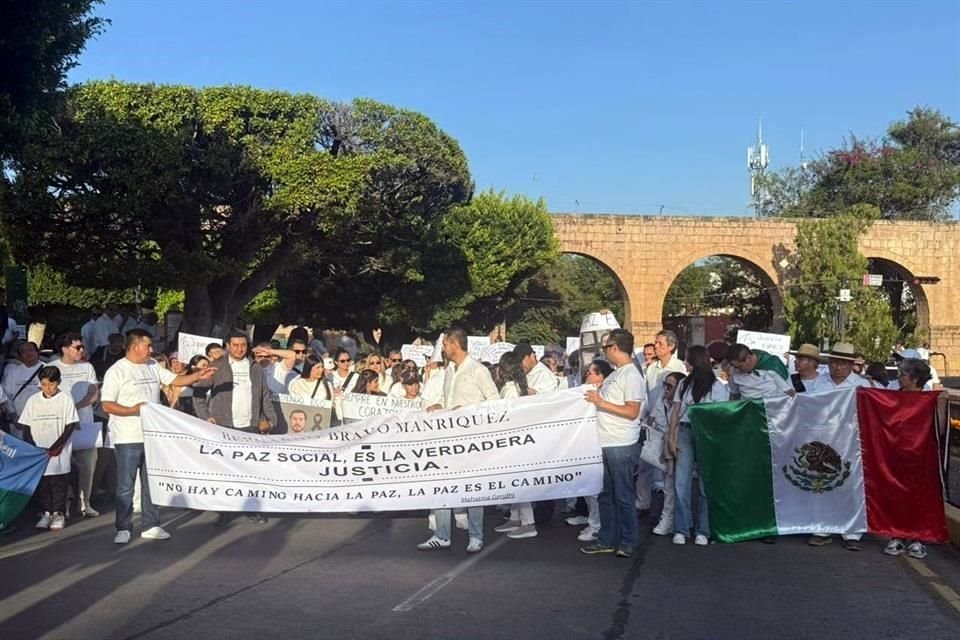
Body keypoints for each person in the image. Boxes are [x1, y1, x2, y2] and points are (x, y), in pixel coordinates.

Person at [100, 329, 216, 544]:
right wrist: (133, 410)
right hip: (127, 436)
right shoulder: (117, 371)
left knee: (150, 481)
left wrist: (197, 376)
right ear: (135, 347)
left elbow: (176, 380)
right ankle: (123, 527)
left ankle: (151, 524)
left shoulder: (153, 365)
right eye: (148, 346)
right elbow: (107, 404)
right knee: (126, 485)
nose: (152, 350)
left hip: (152, 435)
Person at [418, 328, 499, 554]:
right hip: (449, 439)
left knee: (472, 488)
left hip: (472, 440)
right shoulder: (450, 371)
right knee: (443, 485)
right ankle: (442, 535)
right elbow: (449, 401)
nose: (442, 348)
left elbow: (495, 401)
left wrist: (469, 410)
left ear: (455, 345)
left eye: (445, 344)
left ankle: (476, 535)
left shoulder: (478, 370)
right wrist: (440, 407)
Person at [580, 328, 646, 558]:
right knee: (605, 494)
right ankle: (606, 539)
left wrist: (600, 402)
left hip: (621, 443)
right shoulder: (618, 374)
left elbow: (632, 411)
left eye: (606, 347)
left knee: (623, 495)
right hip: (605, 442)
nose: (605, 351)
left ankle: (628, 540)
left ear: (615, 348)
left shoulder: (631, 376)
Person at [809, 342, 869, 550]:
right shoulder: (819, 383)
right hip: (824, 440)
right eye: (834, 362)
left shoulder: (861, 385)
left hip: (851, 441)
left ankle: (851, 532)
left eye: (843, 363)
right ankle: (822, 528)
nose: (837, 367)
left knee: (850, 486)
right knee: (823, 483)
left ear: (851, 365)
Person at [667, 346, 729, 546]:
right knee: (681, 482)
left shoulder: (718, 386)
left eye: (687, 359)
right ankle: (681, 528)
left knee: (705, 484)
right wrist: (672, 437)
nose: (685, 363)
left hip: (707, 435)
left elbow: (721, 415)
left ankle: (703, 529)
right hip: (684, 431)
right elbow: (676, 412)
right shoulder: (684, 384)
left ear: (694, 362)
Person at [883, 357, 934, 560]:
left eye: (903, 374)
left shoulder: (930, 399)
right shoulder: (893, 397)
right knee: (896, 495)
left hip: (922, 455)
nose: (899, 378)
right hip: (896, 453)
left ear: (915, 378)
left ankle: (917, 538)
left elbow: (937, 428)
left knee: (920, 497)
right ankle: (896, 535)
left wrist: (941, 403)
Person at [17, 366, 79, 531]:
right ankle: (46, 512)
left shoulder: (65, 399)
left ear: (58, 383)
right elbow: (26, 426)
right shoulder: (33, 400)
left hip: (58, 450)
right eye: (44, 385)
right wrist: (33, 448)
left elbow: (70, 424)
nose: (48, 388)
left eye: (51, 385)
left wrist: (57, 446)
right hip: (39, 451)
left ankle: (58, 513)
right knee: (42, 483)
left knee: (58, 482)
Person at [51, 332, 101, 518]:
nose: (82, 350)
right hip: (60, 425)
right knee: (61, 466)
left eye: (82, 347)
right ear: (64, 349)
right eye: (77, 347)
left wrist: (77, 406)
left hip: (85, 422)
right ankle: (62, 504)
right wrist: (67, 413)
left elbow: (94, 393)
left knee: (88, 464)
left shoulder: (87, 367)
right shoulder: (51, 367)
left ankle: (85, 502)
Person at [637, 330, 687, 514]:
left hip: (670, 421)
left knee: (668, 468)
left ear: (671, 347)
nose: (656, 346)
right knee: (644, 464)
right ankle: (642, 503)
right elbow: (647, 394)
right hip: (650, 420)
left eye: (660, 344)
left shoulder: (679, 367)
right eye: (655, 343)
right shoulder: (651, 368)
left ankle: (668, 509)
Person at [566, 359, 614, 542]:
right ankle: (592, 520)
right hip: (585, 445)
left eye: (592, 372)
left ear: (601, 377)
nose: (587, 375)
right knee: (587, 488)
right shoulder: (584, 393)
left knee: (596, 490)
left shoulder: (605, 395)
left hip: (601, 444)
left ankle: (597, 526)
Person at [492, 352, 539, 540]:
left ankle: (528, 523)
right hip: (515, 440)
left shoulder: (511, 389)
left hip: (514, 441)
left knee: (519, 482)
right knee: (514, 481)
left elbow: (508, 416)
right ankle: (515, 516)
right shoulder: (515, 387)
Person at [650, 370, 686, 536]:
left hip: (682, 445)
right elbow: (659, 421)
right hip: (667, 445)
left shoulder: (684, 404)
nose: (665, 389)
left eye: (670, 386)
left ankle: (681, 520)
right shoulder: (662, 401)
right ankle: (668, 518)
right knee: (669, 485)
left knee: (681, 487)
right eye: (664, 385)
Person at [725, 343, 794, 400]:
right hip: (748, 412)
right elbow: (734, 394)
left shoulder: (773, 365)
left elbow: (789, 391)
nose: (737, 370)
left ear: (748, 358)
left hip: (771, 411)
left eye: (739, 367)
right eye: (734, 367)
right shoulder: (734, 370)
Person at [2, 341, 43, 420]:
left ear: (37, 352)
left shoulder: (48, 370)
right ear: (19, 356)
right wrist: (13, 414)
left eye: (31, 350)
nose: (28, 353)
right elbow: (6, 394)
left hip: (42, 417)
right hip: (19, 418)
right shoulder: (13, 372)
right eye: (23, 351)